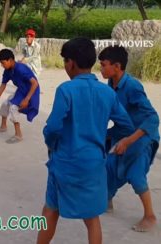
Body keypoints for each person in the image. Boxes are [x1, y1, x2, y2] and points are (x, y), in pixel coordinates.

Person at [36, 38, 134, 244]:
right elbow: (126, 126)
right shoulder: (107, 92)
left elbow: (53, 128)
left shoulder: (66, 90)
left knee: (50, 210)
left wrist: (51, 142)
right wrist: (103, 136)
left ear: (71, 62)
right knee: (91, 218)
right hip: (94, 164)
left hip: (65, 162)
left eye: (65, 62)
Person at [99, 45, 159, 232]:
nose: (100, 69)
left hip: (143, 135)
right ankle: (106, 201)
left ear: (117, 66)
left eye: (103, 65)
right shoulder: (111, 86)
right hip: (124, 133)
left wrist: (127, 141)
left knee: (135, 174)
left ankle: (150, 216)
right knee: (109, 165)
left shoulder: (132, 86)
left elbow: (153, 118)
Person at [0, 49, 40, 143]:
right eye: (1, 63)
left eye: (3, 63)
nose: (2, 65)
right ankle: (3, 126)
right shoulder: (7, 71)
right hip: (21, 91)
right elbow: (3, 85)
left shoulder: (21, 69)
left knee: (13, 107)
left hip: (31, 92)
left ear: (11, 60)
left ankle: (18, 135)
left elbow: (35, 83)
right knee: (5, 103)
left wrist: (27, 99)